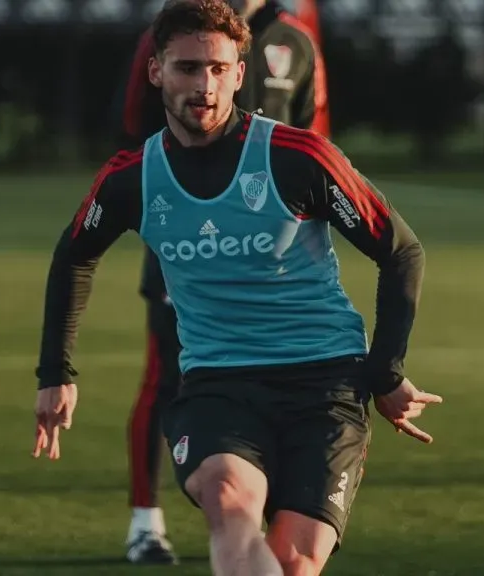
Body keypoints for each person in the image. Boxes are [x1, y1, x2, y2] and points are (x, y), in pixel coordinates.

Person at [32, 1, 443, 574]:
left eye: (219, 69)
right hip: (219, 384)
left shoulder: (299, 158)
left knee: (294, 562)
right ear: (156, 71)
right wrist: (55, 374)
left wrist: (386, 371)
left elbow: (400, 249)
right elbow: (74, 255)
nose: (204, 85)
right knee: (228, 501)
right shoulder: (132, 177)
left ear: (240, 74)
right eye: (187, 68)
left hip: (324, 385)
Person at [112, 0, 331, 565]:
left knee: (282, 379)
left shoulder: (296, 40)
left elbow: (316, 137)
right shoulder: (173, 38)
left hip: (272, 262)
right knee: (165, 376)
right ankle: (144, 521)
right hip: (189, 244)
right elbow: (135, 129)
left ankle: (268, 509)